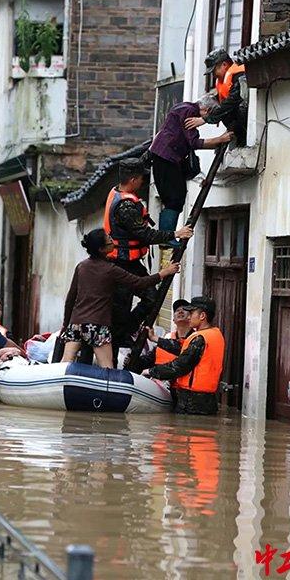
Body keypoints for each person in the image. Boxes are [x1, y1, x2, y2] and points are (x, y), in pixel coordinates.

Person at [104, 159, 193, 352]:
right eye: (141, 178)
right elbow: (143, 234)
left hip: (129, 261)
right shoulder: (126, 205)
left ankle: (125, 332)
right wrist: (175, 233)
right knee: (123, 306)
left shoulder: (116, 193)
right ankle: (121, 337)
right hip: (122, 263)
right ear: (133, 179)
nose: (144, 182)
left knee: (150, 298)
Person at [61, 229, 180, 368]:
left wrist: (65, 324)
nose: (112, 240)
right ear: (101, 249)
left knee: (65, 364)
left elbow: (70, 298)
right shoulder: (111, 269)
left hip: (76, 324)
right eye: (108, 240)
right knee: (107, 368)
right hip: (97, 325)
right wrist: (164, 273)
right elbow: (139, 282)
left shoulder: (81, 267)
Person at [149, 96, 233, 233]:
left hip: (167, 156)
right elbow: (194, 143)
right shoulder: (189, 112)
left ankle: (166, 235)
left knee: (176, 196)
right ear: (208, 110)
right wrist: (220, 139)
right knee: (175, 197)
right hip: (166, 156)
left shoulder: (184, 107)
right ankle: (166, 235)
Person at [143, 296, 225, 415]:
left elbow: (179, 366)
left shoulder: (199, 339)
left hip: (192, 403)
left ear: (202, 316)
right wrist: (156, 339)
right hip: (208, 400)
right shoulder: (214, 335)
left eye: (191, 313)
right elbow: (180, 347)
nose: (189, 316)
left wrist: (150, 371)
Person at [185, 48, 248, 147]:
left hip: (246, 127)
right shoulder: (221, 81)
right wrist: (215, 115)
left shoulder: (239, 76)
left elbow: (231, 102)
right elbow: (220, 102)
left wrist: (205, 119)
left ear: (224, 65)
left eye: (214, 70)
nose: (214, 75)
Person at [137, 299, 193, 372]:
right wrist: (135, 361)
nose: (180, 311)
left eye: (184, 310)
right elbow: (148, 360)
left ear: (191, 317)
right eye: (177, 310)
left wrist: (154, 338)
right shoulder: (167, 337)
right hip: (157, 381)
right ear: (173, 319)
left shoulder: (196, 338)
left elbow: (183, 350)